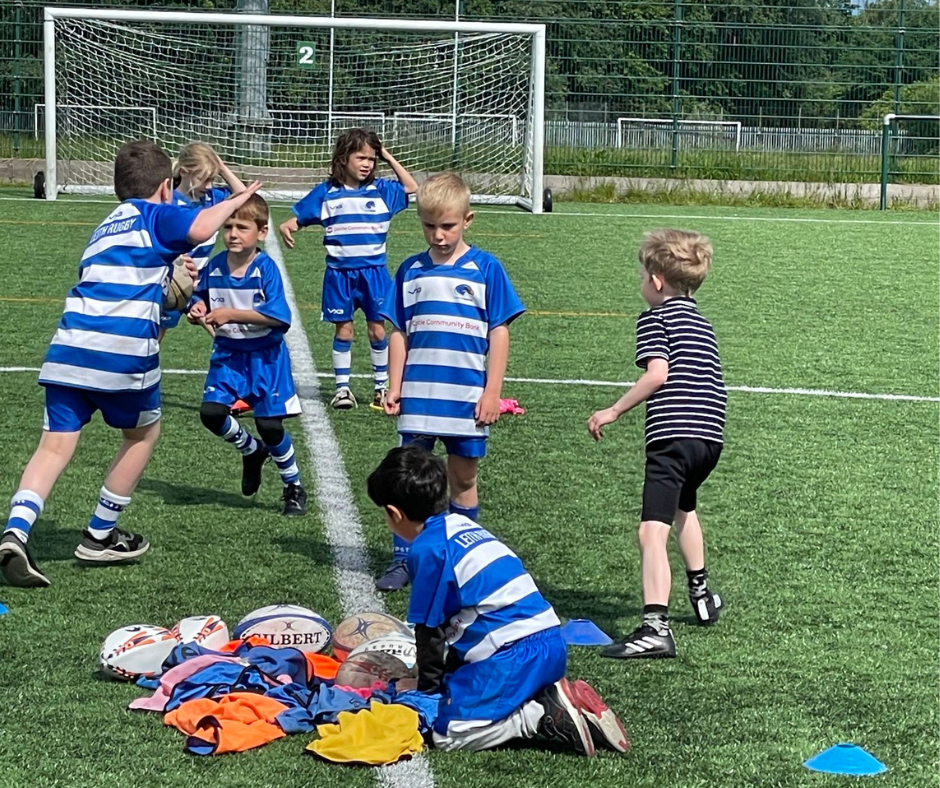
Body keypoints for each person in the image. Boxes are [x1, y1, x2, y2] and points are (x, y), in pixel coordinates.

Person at [0, 140, 262, 588]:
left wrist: (168, 282)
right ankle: (101, 534)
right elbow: (199, 230)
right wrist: (240, 198)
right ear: (166, 188)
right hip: (121, 353)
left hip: (68, 348)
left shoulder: (107, 223)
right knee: (143, 433)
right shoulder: (155, 213)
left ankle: (14, 533)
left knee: (54, 447)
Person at [367, 445, 629, 755]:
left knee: (449, 734)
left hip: (514, 657)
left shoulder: (428, 549)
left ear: (395, 514)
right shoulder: (464, 526)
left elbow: (430, 632)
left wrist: (428, 689)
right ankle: (572, 710)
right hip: (551, 646)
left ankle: (540, 715)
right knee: (463, 687)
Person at [376, 172, 523, 592]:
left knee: (462, 480)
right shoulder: (410, 270)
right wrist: (394, 384)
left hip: (466, 398)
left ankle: (462, 560)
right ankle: (404, 559)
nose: (438, 235)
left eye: (448, 226)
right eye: (429, 226)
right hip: (420, 397)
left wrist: (492, 391)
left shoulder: (486, 268)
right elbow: (399, 331)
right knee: (408, 481)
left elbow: (499, 331)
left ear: (468, 220)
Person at [587, 229, 726, 659]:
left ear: (658, 281)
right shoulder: (702, 321)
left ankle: (654, 628)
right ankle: (701, 596)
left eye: (644, 275)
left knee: (651, 531)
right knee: (685, 509)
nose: (642, 283)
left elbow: (657, 374)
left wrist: (612, 410)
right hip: (709, 439)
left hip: (672, 436)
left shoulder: (655, 318)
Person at [278, 128, 417, 411]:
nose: (367, 164)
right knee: (344, 331)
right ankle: (343, 389)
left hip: (374, 274)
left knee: (378, 330)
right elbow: (296, 219)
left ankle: (381, 387)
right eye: (361, 157)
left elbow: (411, 187)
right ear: (343, 158)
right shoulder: (326, 193)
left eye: (372, 158)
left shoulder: (383, 191)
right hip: (339, 276)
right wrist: (288, 226)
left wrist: (387, 156)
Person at [188, 194, 307, 517]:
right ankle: (251, 450)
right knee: (211, 414)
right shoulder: (214, 266)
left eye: (242, 227)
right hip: (228, 355)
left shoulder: (265, 269)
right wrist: (196, 307)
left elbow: (280, 318)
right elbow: (199, 297)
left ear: (262, 232)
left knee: (270, 426)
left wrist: (231, 313)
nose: (233, 234)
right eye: (228, 227)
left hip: (266, 358)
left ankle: (292, 485)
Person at [159, 141, 246, 343]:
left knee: (227, 337)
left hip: (200, 283)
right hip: (172, 281)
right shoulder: (167, 202)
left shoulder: (213, 198)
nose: (208, 186)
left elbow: (245, 198)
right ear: (184, 172)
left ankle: (238, 365)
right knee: (153, 342)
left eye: (212, 180)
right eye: (203, 179)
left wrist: (222, 168)